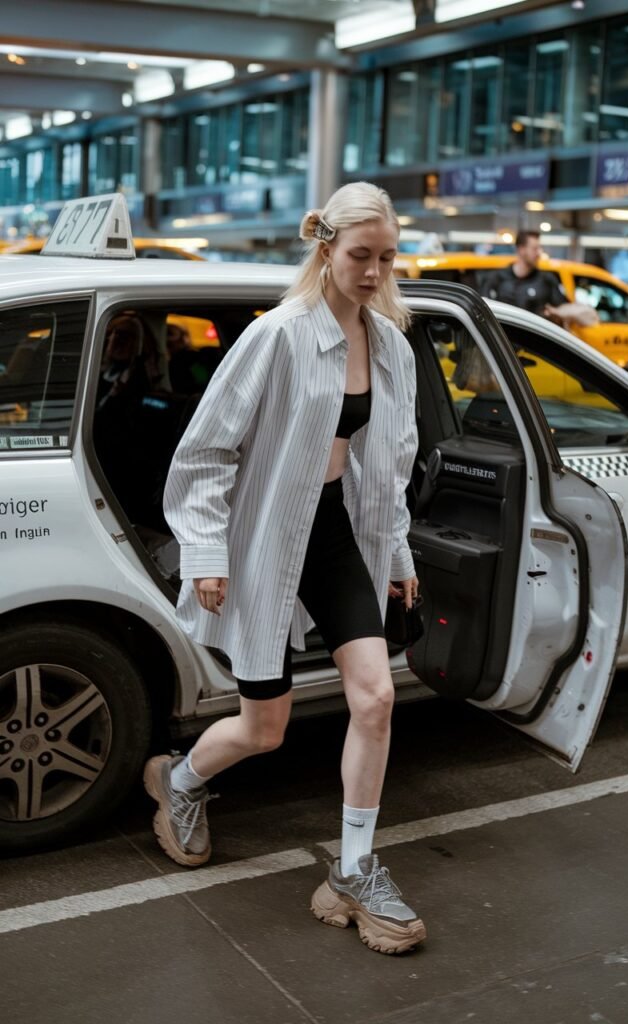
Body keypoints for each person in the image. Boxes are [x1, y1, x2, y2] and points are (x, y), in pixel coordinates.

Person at [143, 181, 426, 955]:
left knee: (375, 697)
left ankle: (355, 872)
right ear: (326, 248)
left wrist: (395, 552)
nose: (373, 272)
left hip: (337, 532)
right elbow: (205, 451)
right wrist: (205, 551)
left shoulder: (392, 344)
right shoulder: (279, 335)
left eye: (386, 258)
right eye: (360, 256)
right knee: (264, 729)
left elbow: (391, 463)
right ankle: (179, 780)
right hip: (265, 535)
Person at [481, 230, 566, 321]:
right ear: (521, 249)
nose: (539, 253)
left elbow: (562, 309)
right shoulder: (497, 278)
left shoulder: (546, 280)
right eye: (535, 249)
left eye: (540, 248)